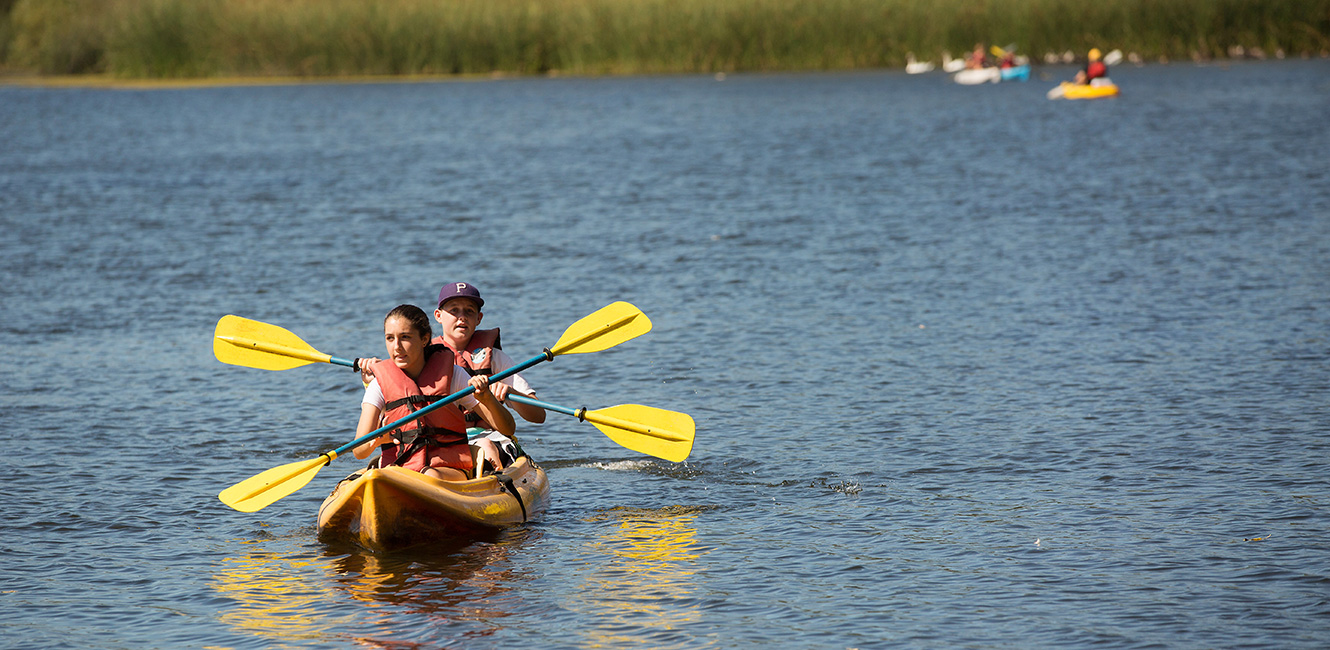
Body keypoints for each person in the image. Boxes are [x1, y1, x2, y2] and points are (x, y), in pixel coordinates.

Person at [352, 304, 515, 481]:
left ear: (424, 339)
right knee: (381, 476)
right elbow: (359, 451)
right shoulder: (379, 384)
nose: (396, 347)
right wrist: (379, 439)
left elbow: (507, 428)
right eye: (390, 338)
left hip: (448, 470)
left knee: (428, 474)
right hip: (399, 471)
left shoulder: (452, 376)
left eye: (405, 337)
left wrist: (487, 399)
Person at [430, 282, 546, 471]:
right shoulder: (425, 358)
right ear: (438, 316)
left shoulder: (495, 359)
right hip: (442, 441)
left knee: (487, 446)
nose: (462, 317)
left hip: (492, 439)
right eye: (454, 310)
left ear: (479, 318)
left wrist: (509, 391)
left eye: (469, 311)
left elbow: (538, 416)